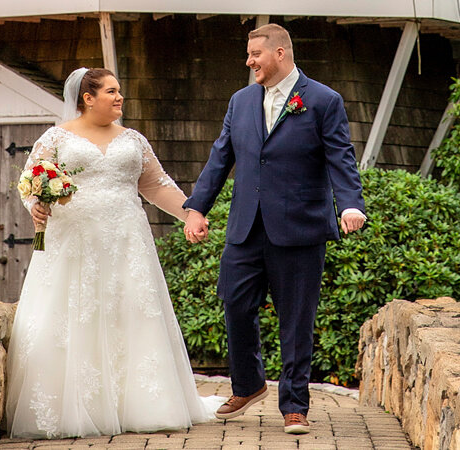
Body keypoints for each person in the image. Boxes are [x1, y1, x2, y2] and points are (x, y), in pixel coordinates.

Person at [6, 68, 219, 439]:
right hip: (73, 241)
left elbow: (156, 185)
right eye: (111, 91)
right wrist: (35, 205)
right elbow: (32, 180)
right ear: (88, 98)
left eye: (119, 91)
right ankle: (76, 407)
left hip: (126, 240)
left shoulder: (133, 140)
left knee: (130, 313)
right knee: (74, 314)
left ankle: (138, 404)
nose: (120, 97)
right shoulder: (57, 137)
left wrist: (191, 213)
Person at [183, 23, 366, 435]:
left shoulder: (323, 100)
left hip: (299, 230)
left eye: (255, 55)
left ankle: (295, 406)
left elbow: (341, 157)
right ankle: (248, 386)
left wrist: (351, 204)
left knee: (296, 320)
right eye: (248, 56)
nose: (249, 63)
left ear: (280, 53)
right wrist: (196, 209)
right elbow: (219, 159)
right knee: (234, 304)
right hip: (245, 227)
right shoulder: (240, 101)